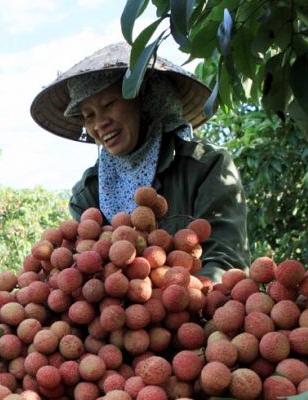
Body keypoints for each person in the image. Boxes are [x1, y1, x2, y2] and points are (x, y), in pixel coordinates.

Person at [30, 43, 250, 283]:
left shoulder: (206, 166)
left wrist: (186, 298)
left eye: (108, 105)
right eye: (89, 115)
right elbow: (85, 270)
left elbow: (226, 263)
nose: (99, 123)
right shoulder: (89, 193)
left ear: (144, 102)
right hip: (117, 315)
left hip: (195, 311)